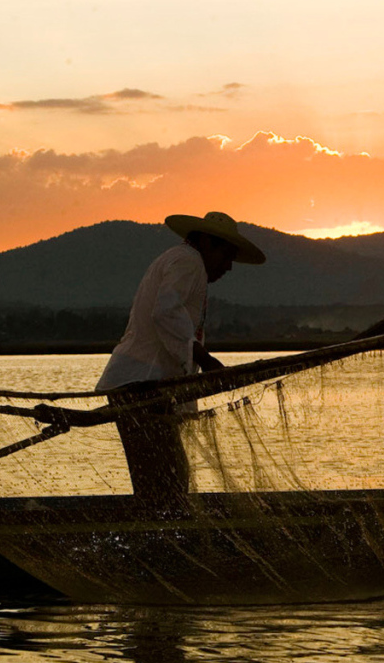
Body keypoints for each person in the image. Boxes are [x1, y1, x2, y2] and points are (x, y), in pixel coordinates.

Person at [96, 211, 266, 499]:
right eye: (226, 256)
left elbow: (172, 319)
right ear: (207, 243)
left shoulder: (181, 260)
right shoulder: (189, 261)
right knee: (166, 484)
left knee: (164, 480)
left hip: (142, 386)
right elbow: (166, 312)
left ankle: (158, 529)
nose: (229, 267)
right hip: (142, 387)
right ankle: (160, 534)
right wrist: (206, 360)